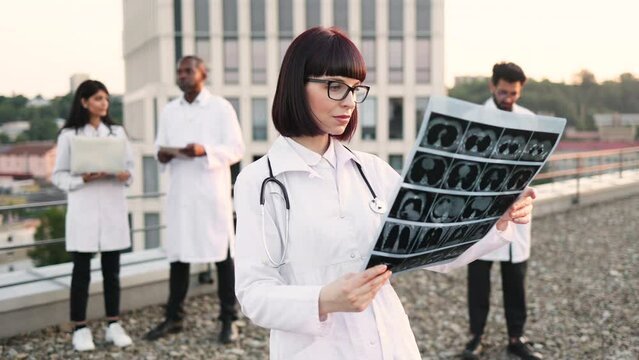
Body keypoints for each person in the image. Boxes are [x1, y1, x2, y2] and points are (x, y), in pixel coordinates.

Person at [233, 27, 536, 360]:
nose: (349, 101)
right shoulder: (260, 182)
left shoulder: (371, 170)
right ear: (296, 85)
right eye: (335, 87)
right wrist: (322, 299)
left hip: (390, 342)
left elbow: (436, 248)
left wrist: (496, 216)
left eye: (354, 89)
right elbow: (254, 294)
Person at [145, 55, 245, 343]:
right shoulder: (169, 111)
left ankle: (229, 319)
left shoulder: (220, 108)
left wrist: (205, 151)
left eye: (188, 70)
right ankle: (173, 318)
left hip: (210, 193)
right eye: (179, 71)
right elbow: (158, 145)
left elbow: (236, 149)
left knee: (222, 257)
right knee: (178, 258)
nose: (183, 75)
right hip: (180, 194)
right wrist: (162, 153)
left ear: (203, 74)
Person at [462, 62, 543, 360]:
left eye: (514, 93)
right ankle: (475, 338)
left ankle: (515, 337)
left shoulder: (531, 119)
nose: (508, 98)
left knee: (516, 280)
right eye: (503, 91)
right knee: (479, 281)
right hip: (483, 213)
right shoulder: (474, 119)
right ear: (492, 86)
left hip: (517, 209)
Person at [52, 80, 134, 351]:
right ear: (84, 101)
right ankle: (80, 328)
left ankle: (113, 324)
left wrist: (123, 174)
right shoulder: (69, 135)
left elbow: (130, 171)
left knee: (112, 272)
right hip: (83, 211)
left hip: (112, 209)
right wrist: (82, 179)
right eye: (98, 98)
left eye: (106, 99)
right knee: (81, 272)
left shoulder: (117, 133)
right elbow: (59, 176)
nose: (104, 104)